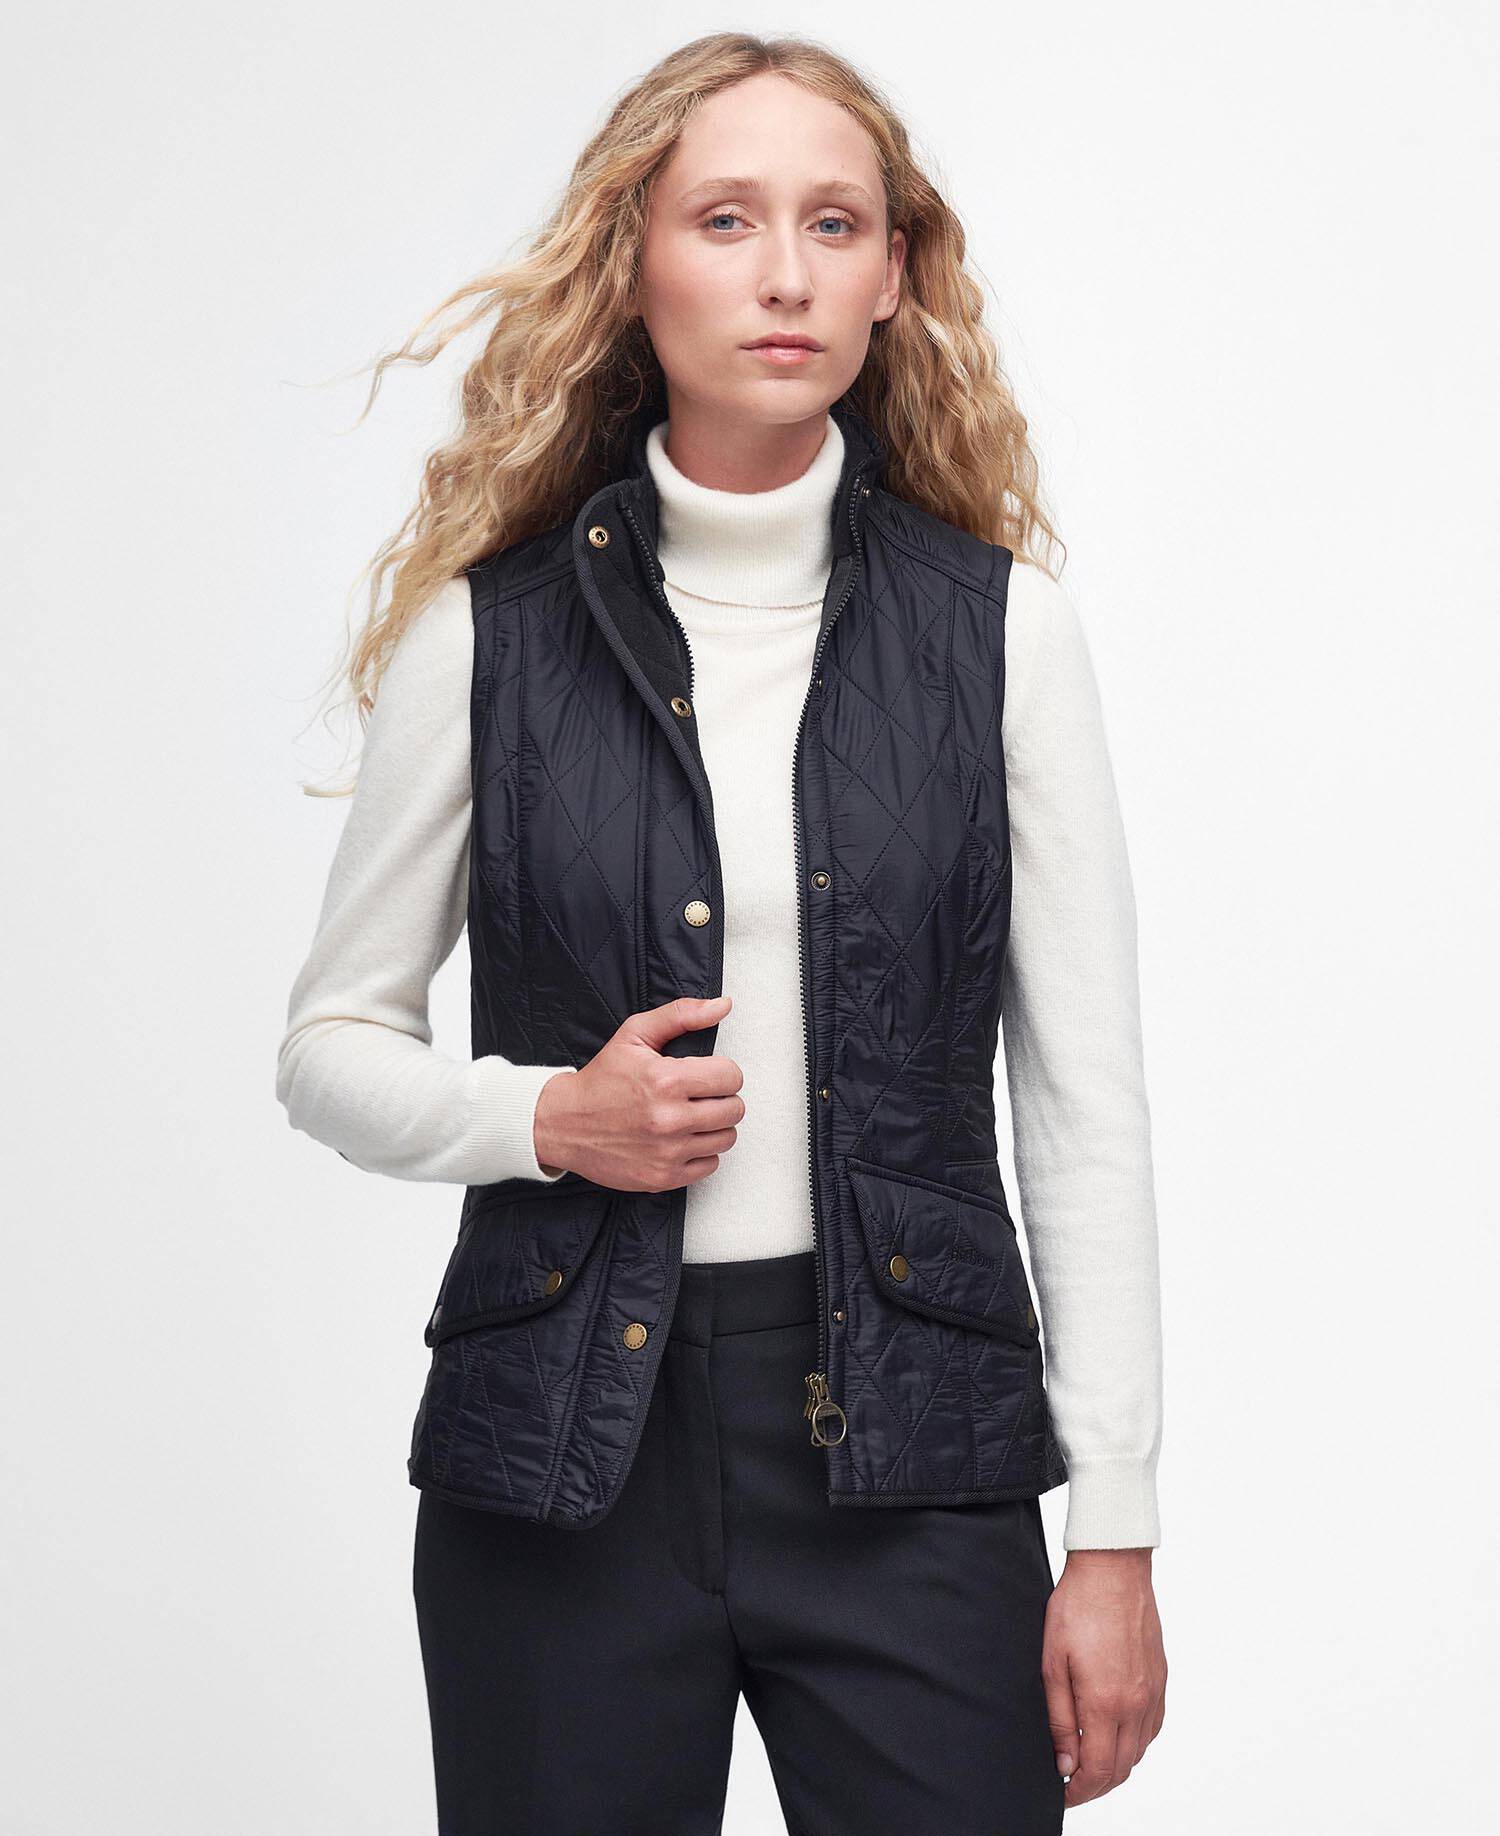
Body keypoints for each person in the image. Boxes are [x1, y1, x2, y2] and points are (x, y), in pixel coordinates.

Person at [277, 31, 1167, 1835]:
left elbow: (1082, 1106)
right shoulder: (491, 639)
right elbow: (329, 1049)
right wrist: (547, 1118)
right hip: (563, 1456)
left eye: (835, 224)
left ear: (895, 274)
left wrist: (1116, 1533)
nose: (785, 274)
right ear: (633, 267)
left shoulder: (1000, 635)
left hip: (916, 1450)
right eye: (727, 219)